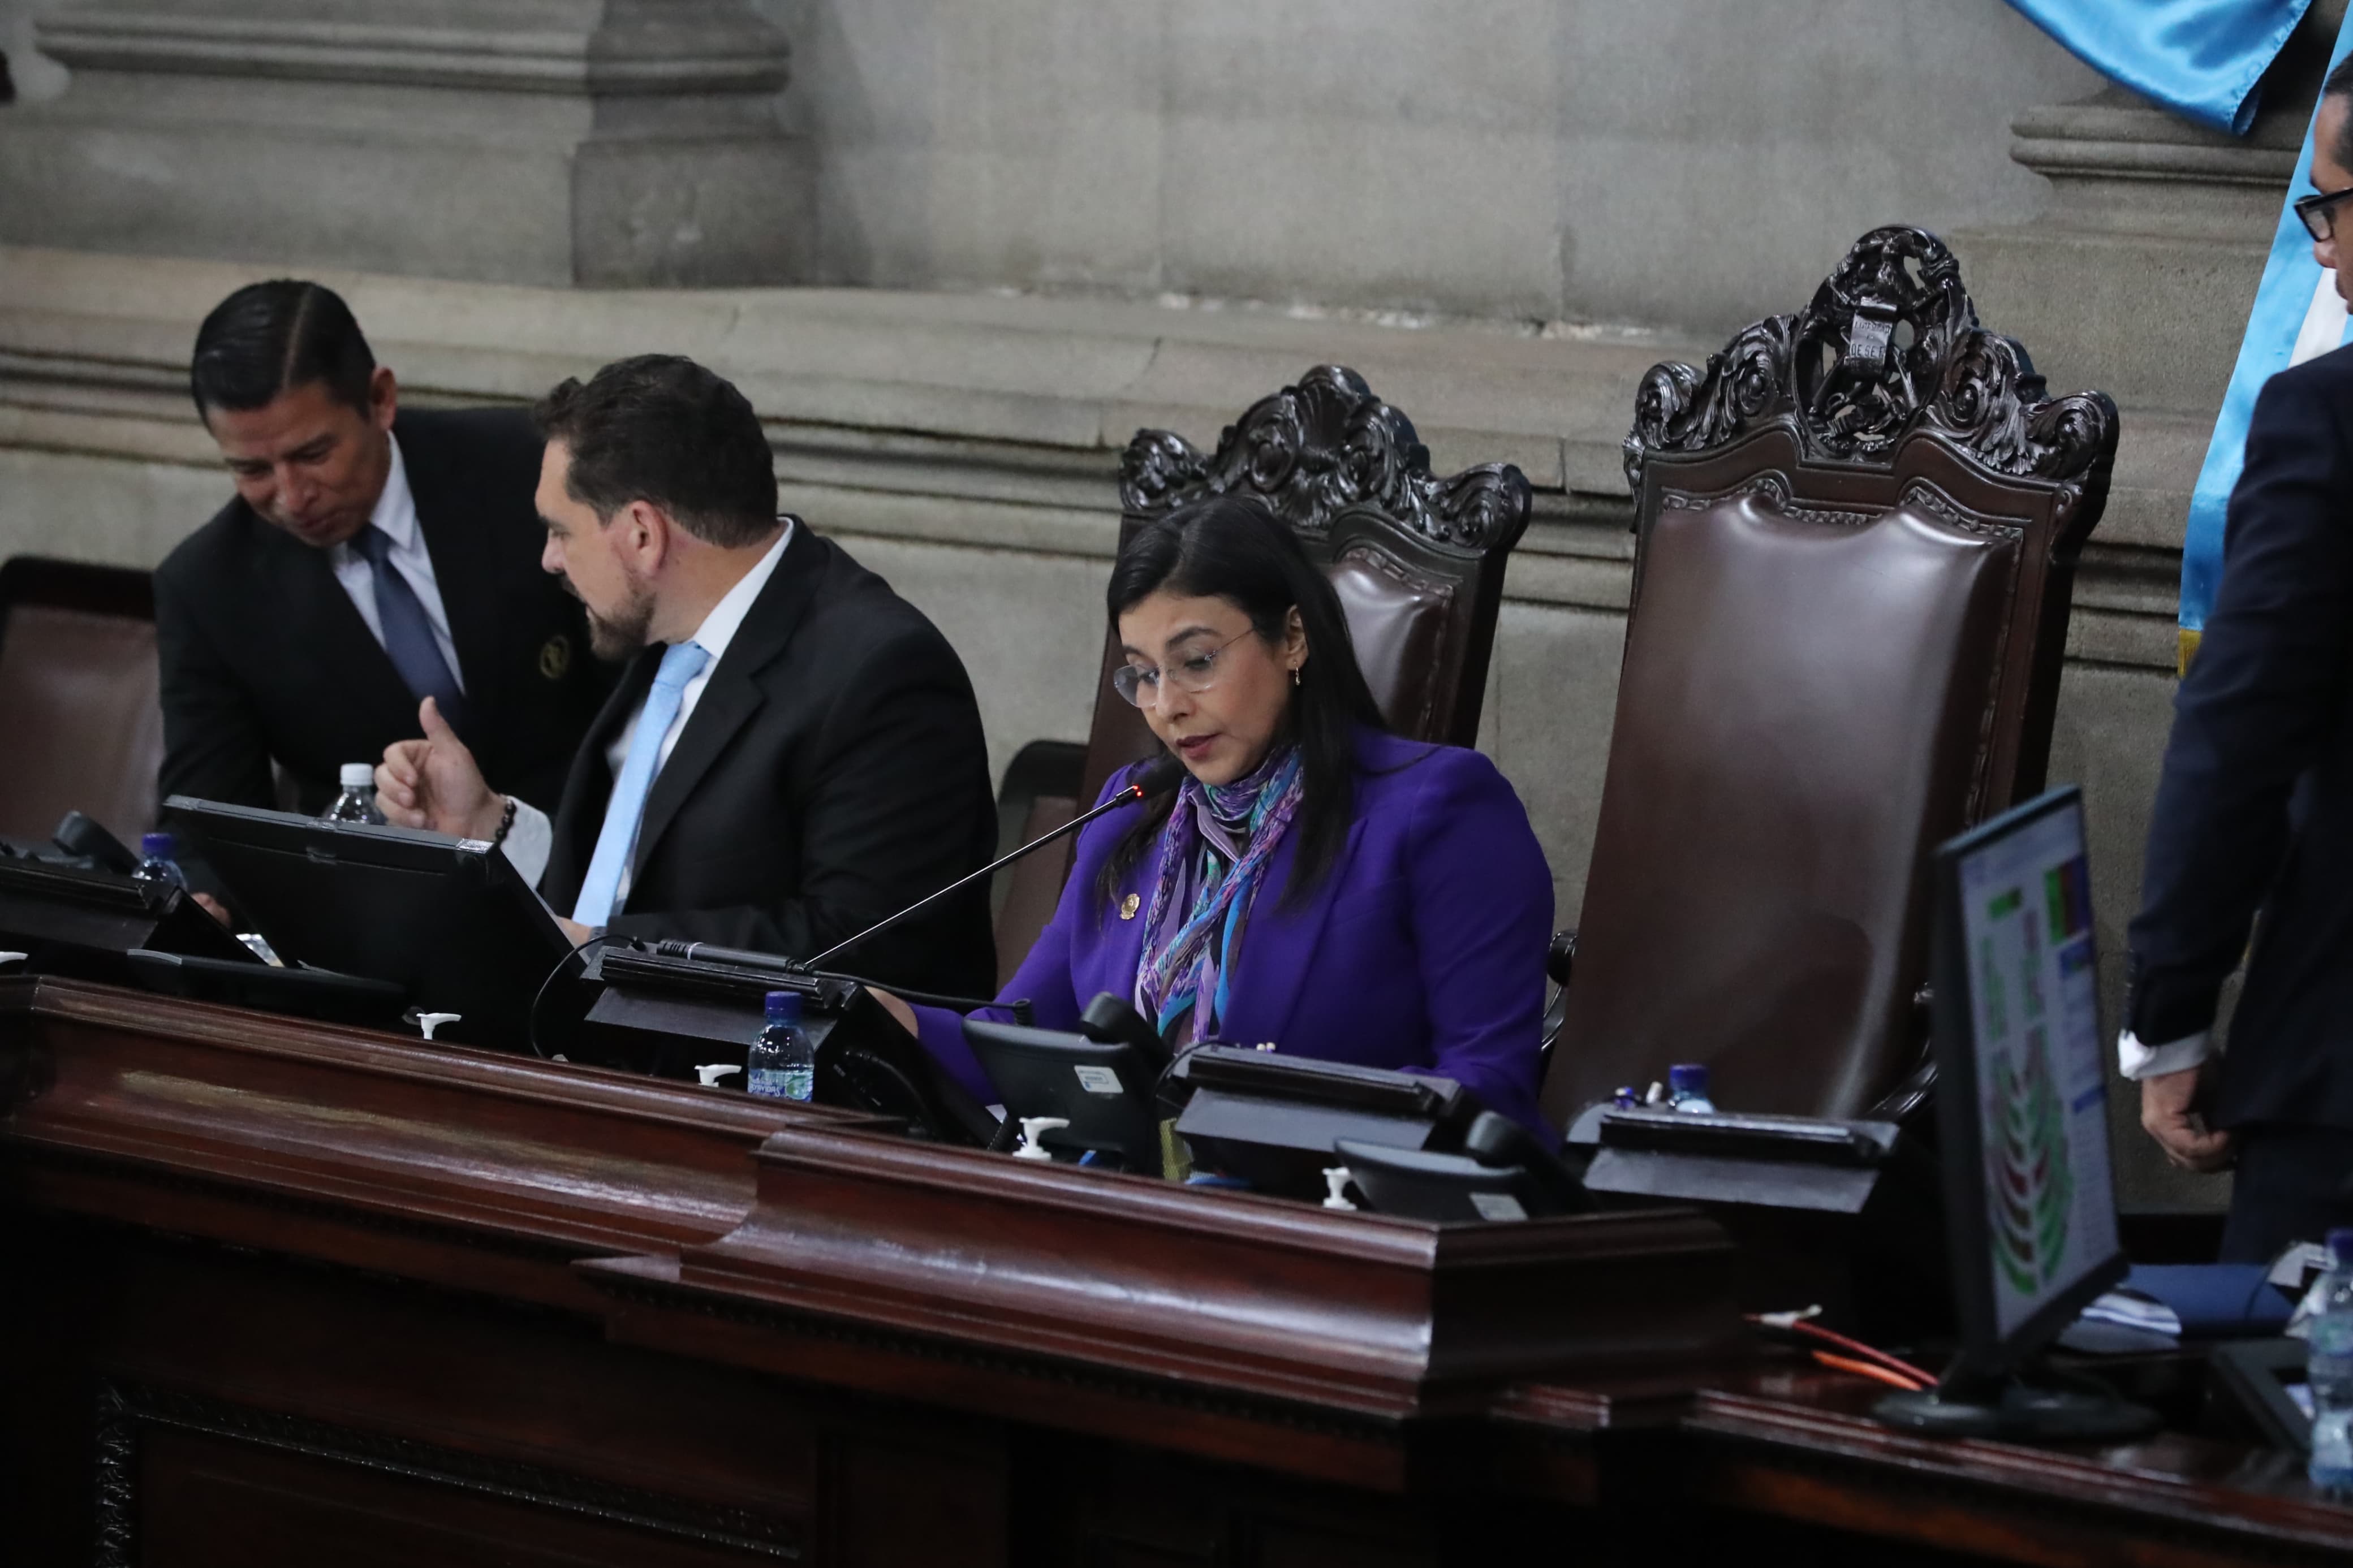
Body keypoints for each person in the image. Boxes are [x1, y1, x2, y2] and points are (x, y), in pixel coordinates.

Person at [876, 494, 1556, 1138]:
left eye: (1195, 662)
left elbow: (1484, 1085)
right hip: (1128, 1211)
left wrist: (1269, 1136)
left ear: (1292, 637)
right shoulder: (1131, 812)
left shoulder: (1438, 811)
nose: (1165, 705)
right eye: (1142, 673)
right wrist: (884, 1019)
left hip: (1329, 1220)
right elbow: (1023, 1034)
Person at [374, 353, 999, 999]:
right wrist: (492, 829)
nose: (549, 559)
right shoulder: (664, 631)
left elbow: (860, 946)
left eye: (562, 531)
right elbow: (626, 886)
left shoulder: (882, 673)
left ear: (643, 533)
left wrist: (602, 953)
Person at [2121, 62, 2353, 1262]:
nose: (2320, 253)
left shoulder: (2330, 418)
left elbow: (2240, 737)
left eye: (2330, 207)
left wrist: (2168, 1021)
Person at [156, 281, 613, 833]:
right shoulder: (207, 588)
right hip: (387, 902)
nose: (292, 497)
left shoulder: (529, 470)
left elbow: (650, 693)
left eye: (313, 454)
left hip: (599, 866)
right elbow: (211, 824)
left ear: (380, 400)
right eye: (252, 470)